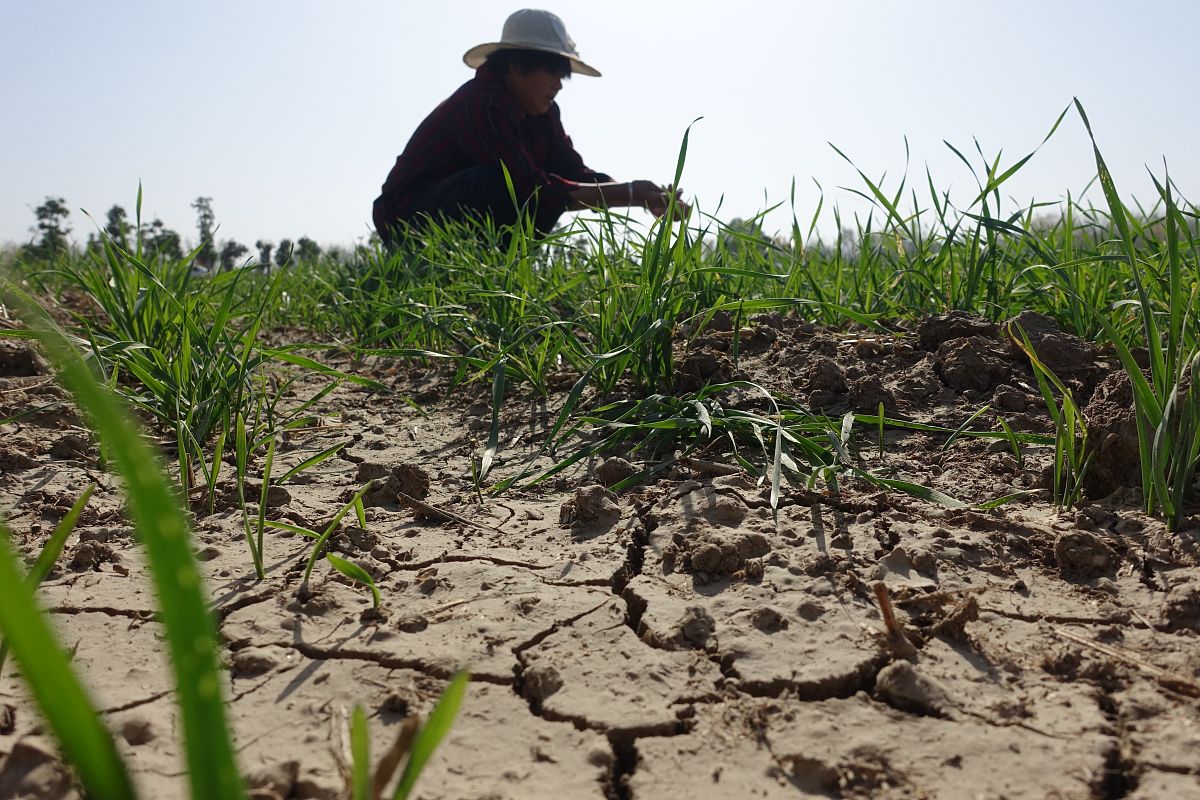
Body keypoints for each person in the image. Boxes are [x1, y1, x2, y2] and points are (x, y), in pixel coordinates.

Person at [372, 8, 689, 246]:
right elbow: (527, 186)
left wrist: (645, 194)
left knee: (527, 192)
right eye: (551, 72)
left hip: (459, 210)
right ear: (514, 65)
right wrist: (630, 193)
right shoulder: (481, 103)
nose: (558, 85)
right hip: (407, 221)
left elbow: (574, 173)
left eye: (562, 76)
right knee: (500, 183)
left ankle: (497, 273)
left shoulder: (543, 114)